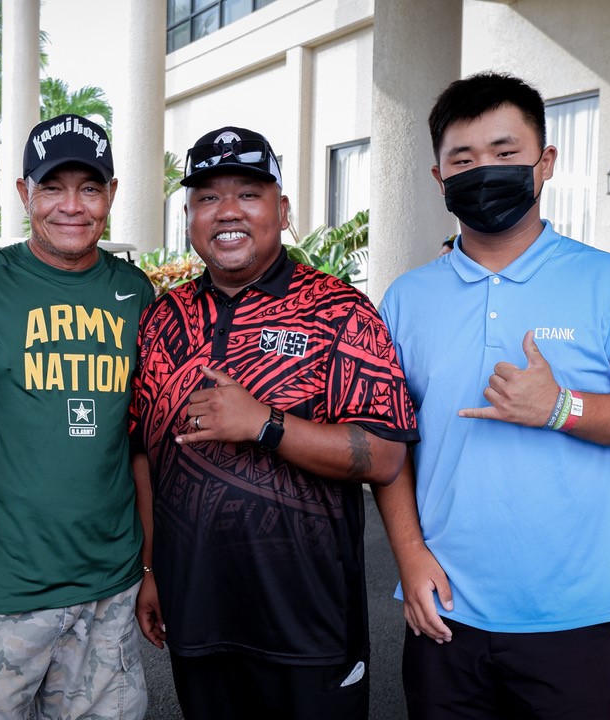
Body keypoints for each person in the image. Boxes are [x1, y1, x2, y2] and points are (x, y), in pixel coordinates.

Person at [375, 72, 610, 719]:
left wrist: (562, 407)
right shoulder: (406, 298)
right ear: (439, 179)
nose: (484, 171)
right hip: (444, 610)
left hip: (569, 615)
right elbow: (391, 445)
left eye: (504, 153)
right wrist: (409, 559)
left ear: (544, 163)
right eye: (462, 160)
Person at [130, 126, 418, 720]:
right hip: (198, 615)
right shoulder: (163, 317)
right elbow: (144, 455)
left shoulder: (341, 311)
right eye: (207, 197)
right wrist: (154, 569)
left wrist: (265, 423)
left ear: (282, 210)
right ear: (188, 217)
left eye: (249, 194)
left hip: (308, 624)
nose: (227, 211)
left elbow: (386, 455)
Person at [0, 114, 154, 720]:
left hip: (107, 591)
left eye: (89, 188)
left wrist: (149, 565)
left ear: (111, 194)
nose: (71, 206)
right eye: (52, 187)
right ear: (23, 193)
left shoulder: (136, 293)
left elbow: (140, 444)